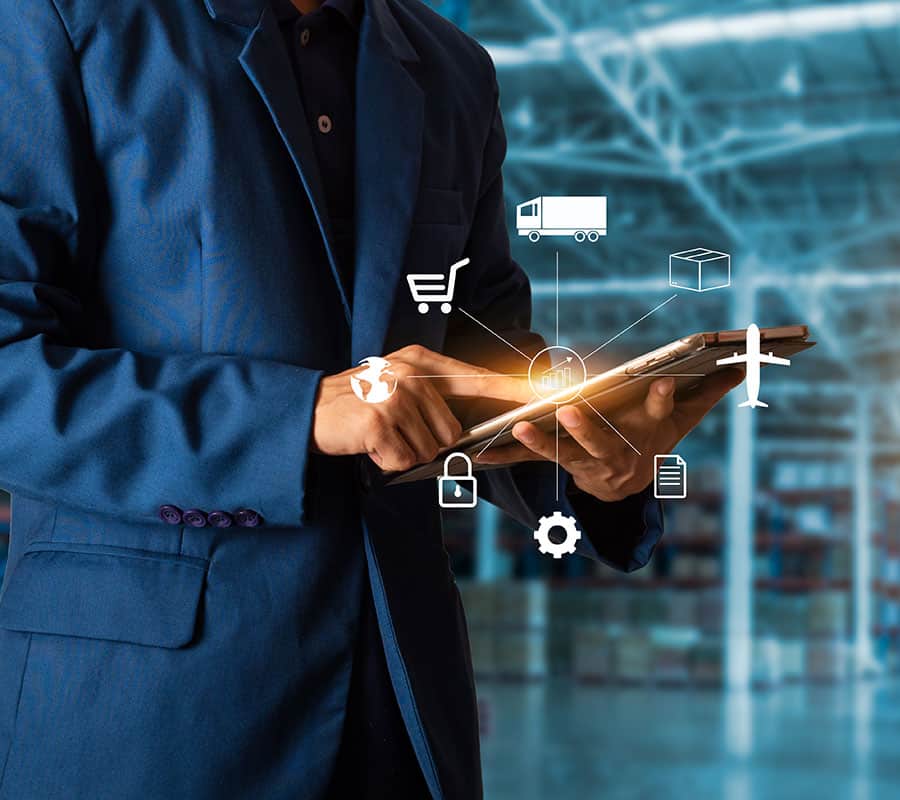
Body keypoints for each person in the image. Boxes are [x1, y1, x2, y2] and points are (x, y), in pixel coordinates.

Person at [0, 0, 740, 797]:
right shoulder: (58, 20)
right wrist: (296, 417)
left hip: (400, 698)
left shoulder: (454, 69)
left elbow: (476, 355)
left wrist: (585, 455)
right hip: (150, 708)